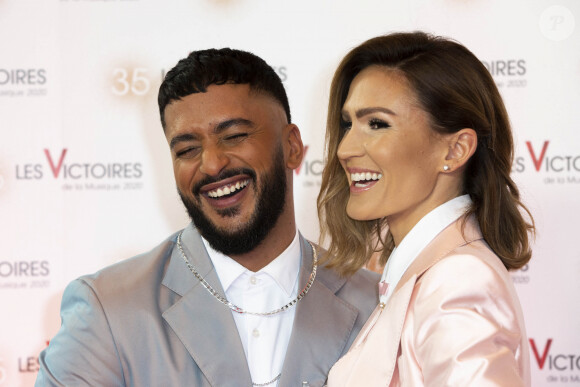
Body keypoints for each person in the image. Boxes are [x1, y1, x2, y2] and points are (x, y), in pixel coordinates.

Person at [36, 48, 379, 387]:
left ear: (291, 146)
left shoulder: (377, 304)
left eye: (233, 136)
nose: (212, 164)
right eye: (186, 150)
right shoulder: (107, 309)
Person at [317, 32, 535, 386]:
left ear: (455, 150)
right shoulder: (424, 272)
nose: (345, 149)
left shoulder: (457, 279)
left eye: (376, 124)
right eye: (348, 124)